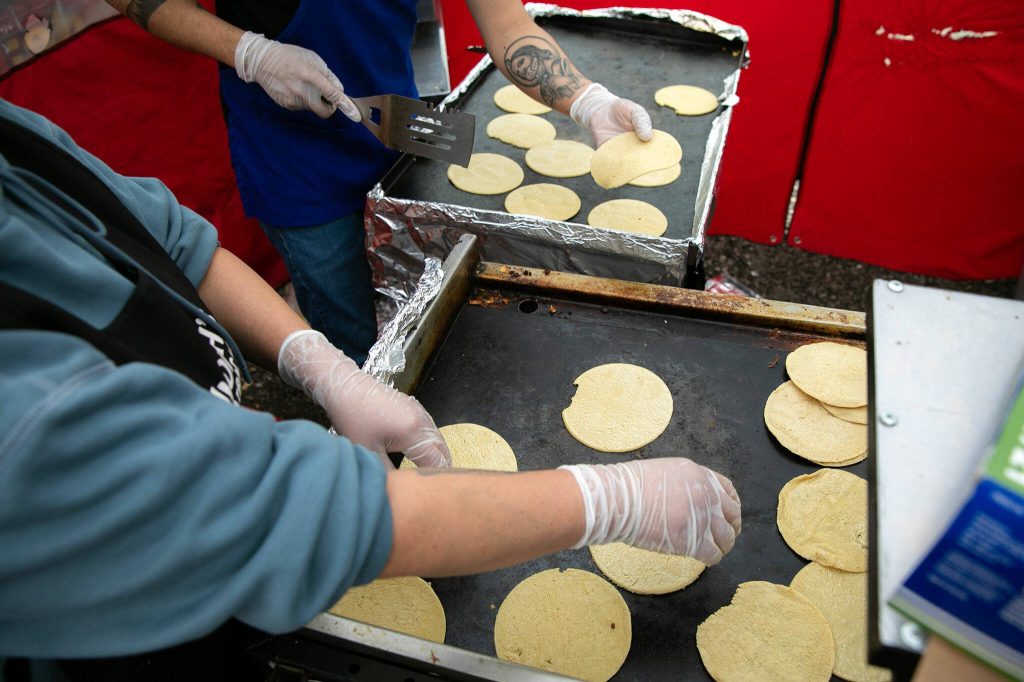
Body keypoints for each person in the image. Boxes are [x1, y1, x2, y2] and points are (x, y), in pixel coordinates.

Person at [0, 98, 738, 676]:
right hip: (114, 637)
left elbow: (180, 244)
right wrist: (607, 500)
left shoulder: (15, 145)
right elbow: (290, 513)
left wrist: (317, 360)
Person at [105, 0, 654, 366]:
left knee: (422, 298)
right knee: (353, 333)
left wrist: (587, 100)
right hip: (294, 157)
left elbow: (508, 25)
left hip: (397, 127)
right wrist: (249, 52)